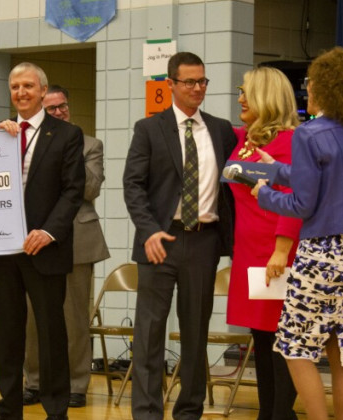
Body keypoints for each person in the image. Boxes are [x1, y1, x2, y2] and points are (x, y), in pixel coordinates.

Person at [250, 46, 343, 420]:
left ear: (320, 86)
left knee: (294, 348)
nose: (307, 88)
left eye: (309, 82)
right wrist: (276, 170)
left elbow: (302, 205)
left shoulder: (308, 134)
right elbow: (327, 183)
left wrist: (264, 193)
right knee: (342, 353)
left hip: (320, 254)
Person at [123, 52, 236, 420]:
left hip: (204, 240)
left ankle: (189, 411)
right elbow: (133, 186)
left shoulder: (220, 130)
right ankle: (147, 412)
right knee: (150, 334)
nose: (198, 88)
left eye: (203, 81)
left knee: (195, 333)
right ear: (170, 84)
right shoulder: (149, 129)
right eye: (189, 82)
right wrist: (148, 230)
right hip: (160, 239)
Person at [0, 63, 85, 420]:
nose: (21, 92)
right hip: (3, 250)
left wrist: (49, 231)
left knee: (50, 330)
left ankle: (56, 408)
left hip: (44, 247)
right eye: (15, 87)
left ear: (43, 91)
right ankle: (8, 406)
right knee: (8, 333)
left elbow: (73, 191)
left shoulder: (68, 134)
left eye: (28, 86)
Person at [22, 85, 110, 409]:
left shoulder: (89, 144)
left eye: (63, 106)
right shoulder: (29, 143)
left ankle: (75, 384)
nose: (59, 112)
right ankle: (33, 381)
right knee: (34, 316)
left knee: (73, 317)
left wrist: (63, 156)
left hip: (78, 240)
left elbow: (89, 188)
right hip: (36, 241)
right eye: (52, 108)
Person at [226, 66, 302, 420]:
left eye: (246, 92)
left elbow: (294, 197)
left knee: (280, 340)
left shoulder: (289, 142)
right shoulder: (245, 138)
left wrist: (281, 250)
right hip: (248, 251)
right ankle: (266, 412)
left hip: (276, 250)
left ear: (266, 97)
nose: (240, 98)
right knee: (261, 337)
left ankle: (280, 414)